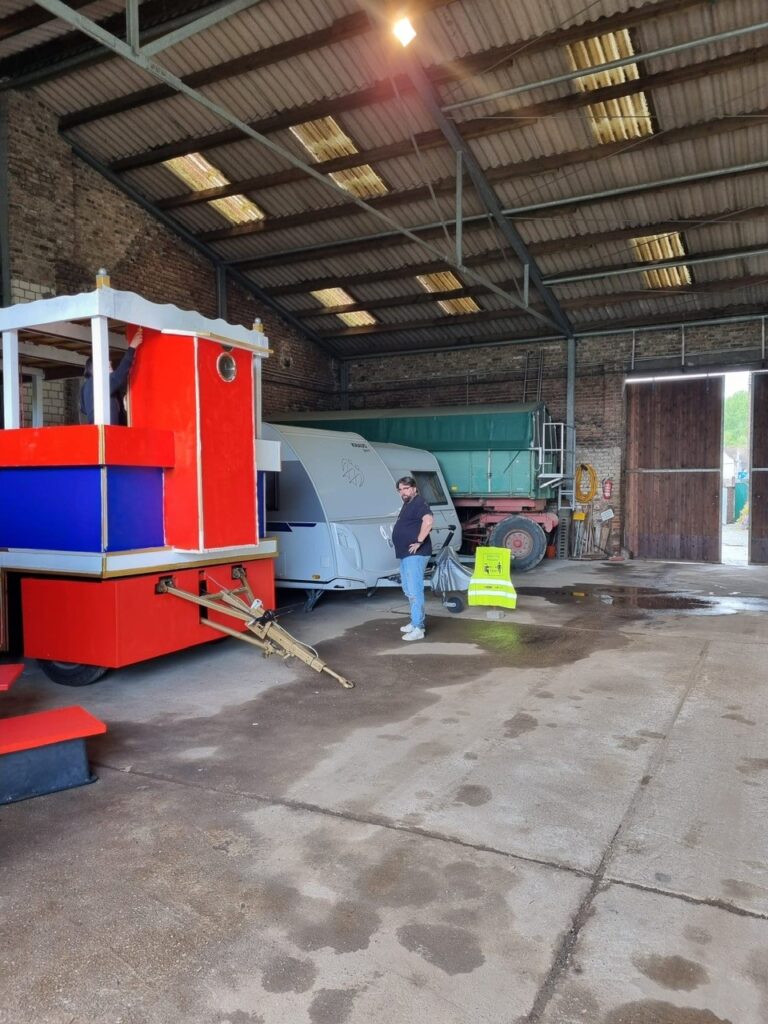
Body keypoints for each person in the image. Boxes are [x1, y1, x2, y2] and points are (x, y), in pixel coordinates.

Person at [392, 475, 434, 641]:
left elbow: (429, 521)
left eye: (406, 488)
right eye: (401, 489)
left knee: (415, 591)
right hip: (406, 554)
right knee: (408, 590)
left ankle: (419, 628)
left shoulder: (419, 502)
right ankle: (414, 621)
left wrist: (419, 541)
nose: (403, 492)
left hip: (416, 554)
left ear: (414, 488)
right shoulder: (408, 503)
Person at [80, 326, 143, 424]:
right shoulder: (96, 383)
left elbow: (83, 409)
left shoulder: (87, 387)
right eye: (107, 364)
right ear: (96, 368)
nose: (110, 366)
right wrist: (132, 347)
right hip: (105, 433)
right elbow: (119, 376)